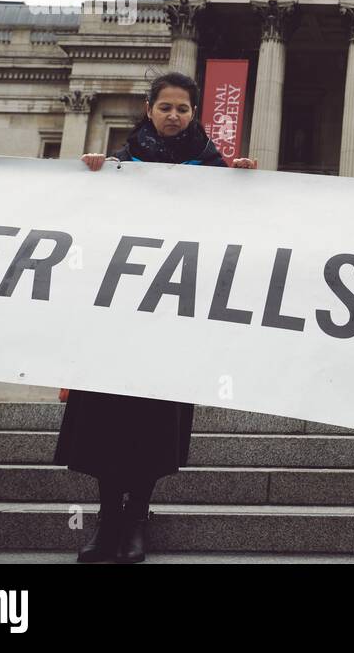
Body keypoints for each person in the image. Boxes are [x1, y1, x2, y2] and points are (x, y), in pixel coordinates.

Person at [54, 71, 257, 562]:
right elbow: (85, 226)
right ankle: (109, 520)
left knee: (153, 422)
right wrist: (93, 177)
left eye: (182, 108)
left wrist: (249, 187)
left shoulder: (213, 169)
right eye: (165, 107)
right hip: (117, 314)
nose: (173, 115)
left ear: (194, 113)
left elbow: (238, 233)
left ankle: (138, 517)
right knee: (106, 417)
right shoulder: (121, 163)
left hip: (173, 316)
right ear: (150, 109)